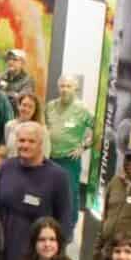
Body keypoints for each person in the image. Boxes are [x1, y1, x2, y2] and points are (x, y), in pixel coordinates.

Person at [0, 121, 73, 260]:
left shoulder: (58, 177)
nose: (25, 145)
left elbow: (64, 222)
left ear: (41, 144)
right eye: (21, 140)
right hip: (2, 257)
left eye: (31, 141)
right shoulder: (6, 167)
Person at [46, 75, 94, 226]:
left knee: (70, 195)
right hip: (50, 158)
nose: (65, 89)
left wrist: (84, 147)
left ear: (76, 88)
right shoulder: (50, 106)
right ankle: (50, 224)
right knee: (50, 192)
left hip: (69, 161)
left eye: (69, 86)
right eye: (62, 86)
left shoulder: (82, 109)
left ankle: (68, 229)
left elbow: (98, 130)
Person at [3, 92, 51, 159]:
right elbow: (7, 150)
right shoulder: (9, 125)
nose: (26, 109)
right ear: (18, 106)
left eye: (30, 106)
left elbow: (45, 155)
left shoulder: (42, 129)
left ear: (35, 110)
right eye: (24, 105)